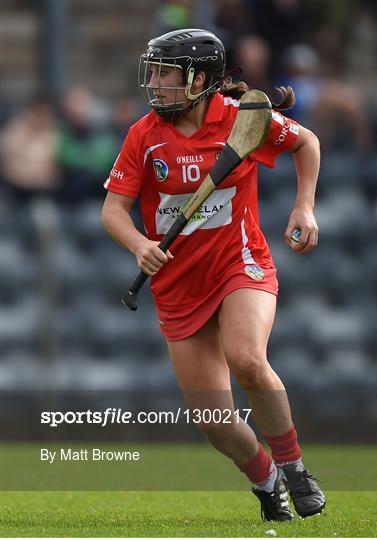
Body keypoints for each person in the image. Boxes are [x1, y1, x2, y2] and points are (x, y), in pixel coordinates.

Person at [101, 28, 325, 522]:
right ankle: (267, 481)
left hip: (239, 263)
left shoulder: (242, 119)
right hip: (178, 284)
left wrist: (303, 208)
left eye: (165, 73)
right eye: (153, 71)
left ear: (198, 79)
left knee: (245, 358)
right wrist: (139, 244)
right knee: (213, 419)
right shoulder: (144, 136)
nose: (154, 83)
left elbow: (305, 143)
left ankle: (295, 468)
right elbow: (113, 210)